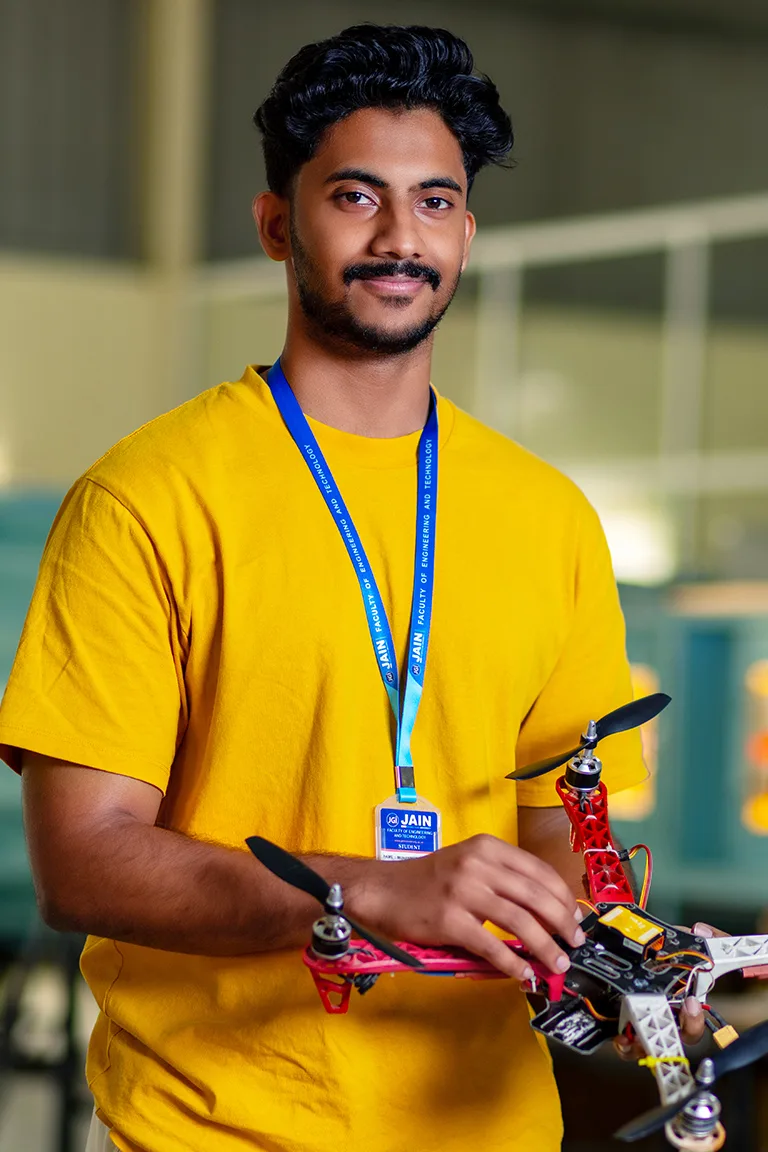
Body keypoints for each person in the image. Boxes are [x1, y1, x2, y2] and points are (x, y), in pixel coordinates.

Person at [0, 23, 710, 1152]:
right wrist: (365, 888)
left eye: (434, 202)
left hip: (492, 1126)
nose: (399, 237)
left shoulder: (549, 516)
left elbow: (565, 833)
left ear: (467, 234)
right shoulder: (147, 496)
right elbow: (83, 859)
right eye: (355, 197)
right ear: (278, 222)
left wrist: (608, 956)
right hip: (217, 1128)